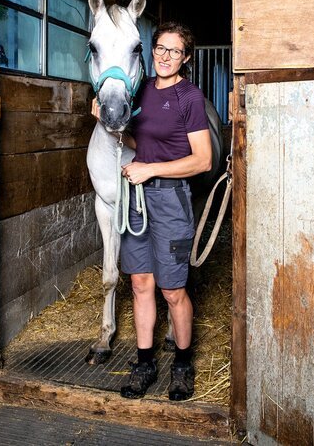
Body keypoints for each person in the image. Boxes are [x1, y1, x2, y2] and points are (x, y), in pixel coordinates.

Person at [92, 21, 211, 401]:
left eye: (175, 51)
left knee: (172, 290)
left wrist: (150, 169)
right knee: (141, 283)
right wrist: (105, 123)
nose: (165, 56)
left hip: (170, 200)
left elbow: (203, 160)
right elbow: (136, 140)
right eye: (160, 48)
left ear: (185, 57)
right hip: (136, 202)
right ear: (152, 50)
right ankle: (145, 364)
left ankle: (182, 365)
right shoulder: (140, 89)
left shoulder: (189, 98)